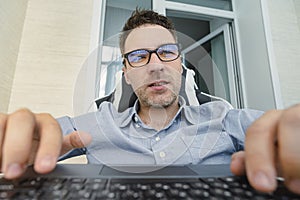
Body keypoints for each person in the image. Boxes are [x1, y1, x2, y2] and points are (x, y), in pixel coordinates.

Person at [0, 9, 299, 195]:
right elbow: (44, 134)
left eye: (166, 52)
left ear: (180, 64)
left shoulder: (222, 117)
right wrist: (19, 141)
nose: (155, 66)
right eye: (140, 57)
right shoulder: (97, 122)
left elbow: (279, 132)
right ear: (126, 73)